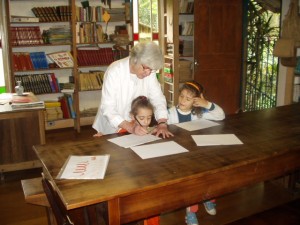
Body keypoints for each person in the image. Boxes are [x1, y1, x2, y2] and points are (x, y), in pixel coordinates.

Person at [167, 81, 225, 225]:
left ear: (196, 101)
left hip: (198, 155)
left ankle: (207, 198)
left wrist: (207, 104)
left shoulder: (200, 113)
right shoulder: (171, 113)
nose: (182, 101)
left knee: (209, 174)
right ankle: (191, 211)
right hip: (179, 157)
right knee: (191, 183)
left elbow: (221, 116)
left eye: (188, 99)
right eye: (181, 96)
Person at [92, 41, 173, 139]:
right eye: (146, 68)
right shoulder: (115, 71)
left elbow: (157, 99)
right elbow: (108, 108)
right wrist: (131, 127)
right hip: (111, 128)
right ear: (135, 60)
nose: (148, 73)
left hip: (138, 127)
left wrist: (162, 123)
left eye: (152, 70)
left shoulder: (149, 72)